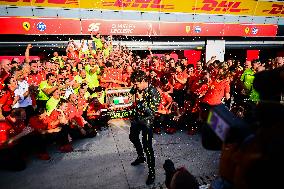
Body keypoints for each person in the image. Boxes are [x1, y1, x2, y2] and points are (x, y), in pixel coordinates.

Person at [129, 70, 160, 185]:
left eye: (136, 84)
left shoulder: (153, 91)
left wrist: (141, 100)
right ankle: (140, 156)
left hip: (147, 122)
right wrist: (134, 90)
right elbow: (132, 92)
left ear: (143, 81)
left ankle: (152, 173)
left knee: (148, 147)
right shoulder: (138, 88)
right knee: (132, 137)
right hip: (137, 118)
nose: (135, 86)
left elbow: (152, 112)